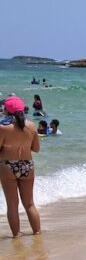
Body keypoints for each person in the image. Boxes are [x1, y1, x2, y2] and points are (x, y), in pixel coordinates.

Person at [0, 96, 41, 237]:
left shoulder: (3, 128)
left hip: (7, 165)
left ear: (6, 110)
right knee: (30, 204)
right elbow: (36, 148)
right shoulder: (31, 126)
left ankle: (16, 235)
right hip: (27, 165)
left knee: (12, 204)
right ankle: (37, 232)